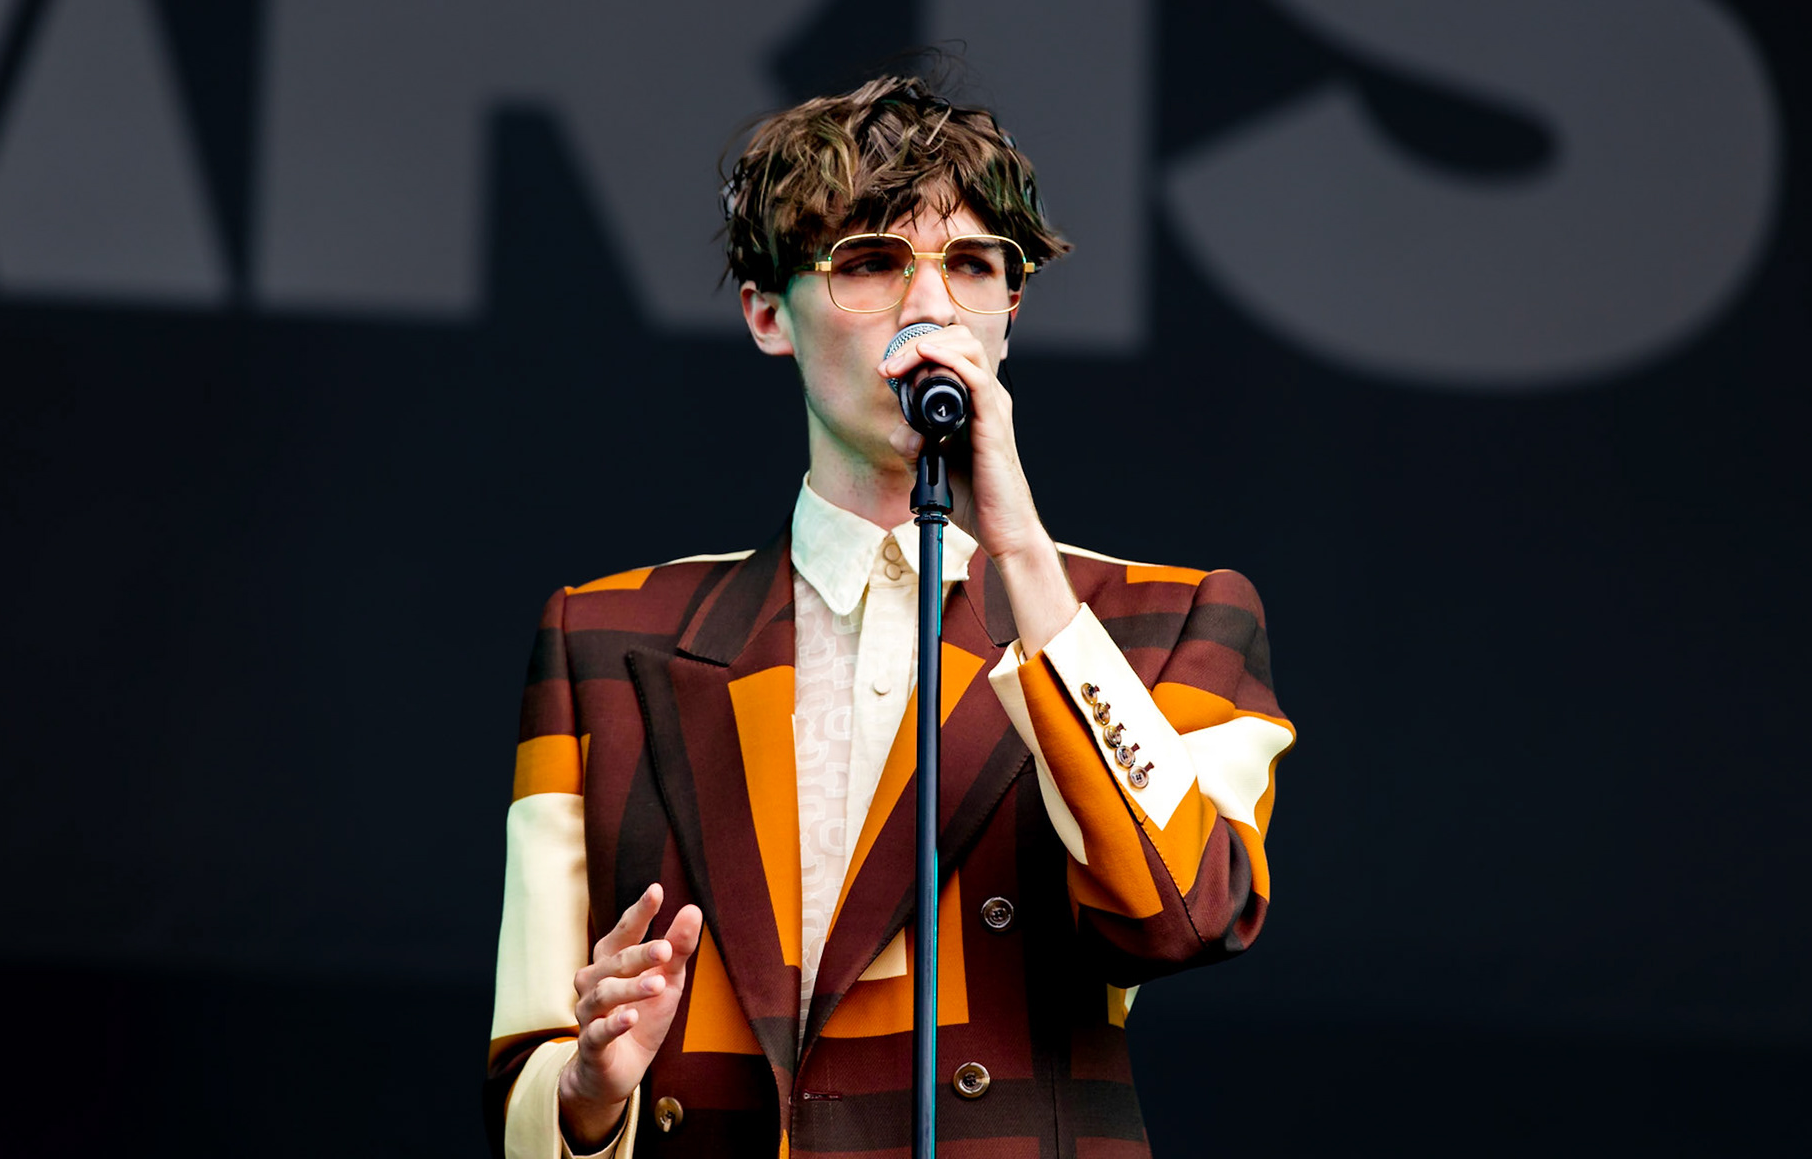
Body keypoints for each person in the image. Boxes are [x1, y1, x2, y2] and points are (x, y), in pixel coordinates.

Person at [484, 75, 1295, 1158]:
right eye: (868, 262)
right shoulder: (606, 638)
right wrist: (590, 1087)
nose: (930, 308)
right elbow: (523, 1088)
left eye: (970, 265)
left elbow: (1187, 911)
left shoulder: (1167, 618)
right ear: (767, 313)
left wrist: (1021, 556)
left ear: (1012, 307)